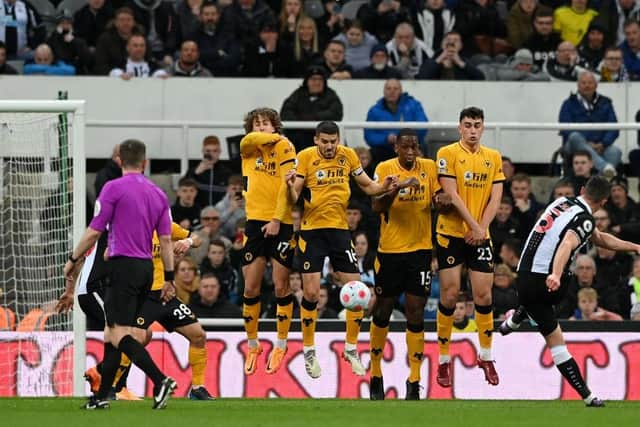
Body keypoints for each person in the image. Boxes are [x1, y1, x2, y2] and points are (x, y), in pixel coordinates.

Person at [56, 139, 177, 410]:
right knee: (114, 334)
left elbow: (95, 230)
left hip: (123, 267)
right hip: (147, 270)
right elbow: (167, 241)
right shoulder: (158, 194)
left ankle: (160, 380)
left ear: (119, 160)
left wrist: (73, 259)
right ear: (144, 162)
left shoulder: (112, 188)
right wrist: (169, 277)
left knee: (118, 333)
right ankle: (101, 396)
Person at [500, 176, 640, 407]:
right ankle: (588, 396)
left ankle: (517, 318)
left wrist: (635, 247)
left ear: (583, 190)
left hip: (523, 274)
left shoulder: (562, 203)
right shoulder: (584, 220)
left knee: (542, 303)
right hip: (544, 284)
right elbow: (567, 243)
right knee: (557, 341)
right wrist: (555, 273)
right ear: (604, 201)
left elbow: (599, 238)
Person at [285, 120, 402, 379]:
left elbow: (369, 186)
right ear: (316, 140)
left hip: (339, 231)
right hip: (312, 231)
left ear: (338, 140)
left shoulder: (347, 156)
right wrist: (288, 186)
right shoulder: (305, 157)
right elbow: (293, 198)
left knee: (358, 291)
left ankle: (351, 348)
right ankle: (308, 350)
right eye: (324, 142)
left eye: (333, 141)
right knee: (312, 294)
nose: (329, 146)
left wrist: (386, 185)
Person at [368, 128, 448, 401]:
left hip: (420, 252)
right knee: (383, 310)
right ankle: (376, 374)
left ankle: (414, 381)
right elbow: (377, 207)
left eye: (415, 147)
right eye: (406, 147)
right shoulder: (385, 168)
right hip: (389, 251)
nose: (411, 151)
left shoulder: (429, 167)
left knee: (415, 312)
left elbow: (438, 199)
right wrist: (395, 189)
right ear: (396, 149)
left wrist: (441, 200)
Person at [434, 106, 505, 388]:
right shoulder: (447, 154)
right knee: (450, 295)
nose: (473, 130)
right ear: (459, 127)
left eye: (477, 125)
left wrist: (481, 228)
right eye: (468, 125)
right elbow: (451, 196)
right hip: (451, 232)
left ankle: (486, 355)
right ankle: (442, 358)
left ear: (483, 127)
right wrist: (474, 227)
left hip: (479, 234)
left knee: (484, 295)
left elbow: (496, 199)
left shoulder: (493, 157)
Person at [238, 108, 297, 376]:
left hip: (281, 222)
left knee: (281, 285)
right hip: (253, 222)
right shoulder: (248, 147)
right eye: (256, 123)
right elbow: (248, 140)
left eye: (266, 123)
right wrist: (269, 137)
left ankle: (281, 343)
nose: (261, 127)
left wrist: (276, 219)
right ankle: (253, 345)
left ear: (276, 125)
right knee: (250, 287)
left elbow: (288, 186)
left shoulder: (285, 147)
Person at [559, 72, 621, 176]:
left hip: (600, 145)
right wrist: (586, 144)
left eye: (590, 83)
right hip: (575, 147)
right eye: (583, 83)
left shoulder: (606, 103)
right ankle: (604, 167)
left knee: (615, 151)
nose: (587, 86)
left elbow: (614, 128)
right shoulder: (569, 103)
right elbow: (565, 128)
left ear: (596, 85)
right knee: (574, 136)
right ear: (578, 85)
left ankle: (599, 183)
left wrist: (603, 143)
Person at [364, 79, 428, 166]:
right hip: (385, 148)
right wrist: (386, 138)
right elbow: (369, 136)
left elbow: (423, 126)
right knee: (371, 155)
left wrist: (406, 138)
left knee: (421, 150)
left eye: (395, 88)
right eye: (388, 88)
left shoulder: (414, 105)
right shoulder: (375, 110)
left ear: (401, 91)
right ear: (384, 91)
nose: (392, 91)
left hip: (411, 146)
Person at [280, 66, 343, 151]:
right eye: (313, 79)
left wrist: (314, 117)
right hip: (298, 139)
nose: (317, 82)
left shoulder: (331, 95)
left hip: (323, 139)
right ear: (307, 81)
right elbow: (286, 113)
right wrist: (303, 120)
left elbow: (336, 113)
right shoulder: (298, 94)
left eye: (320, 79)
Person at [416, 31, 484, 80]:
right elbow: (422, 77)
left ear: (461, 46)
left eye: (456, 40)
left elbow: (481, 78)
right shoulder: (431, 61)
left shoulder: (465, 62)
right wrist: (439, 59)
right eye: (448, 39)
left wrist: (460, 63)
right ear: (442, 44)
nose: (451, 42)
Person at [185, 135, 232, 207]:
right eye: (208, 151)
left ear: (220, 152)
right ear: (203, 151)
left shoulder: (227, 173)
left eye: (215, 151)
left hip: (220, 213)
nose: (211, 154)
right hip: (198, 212)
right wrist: (196, 173)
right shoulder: (193, 171)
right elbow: (183, 190)